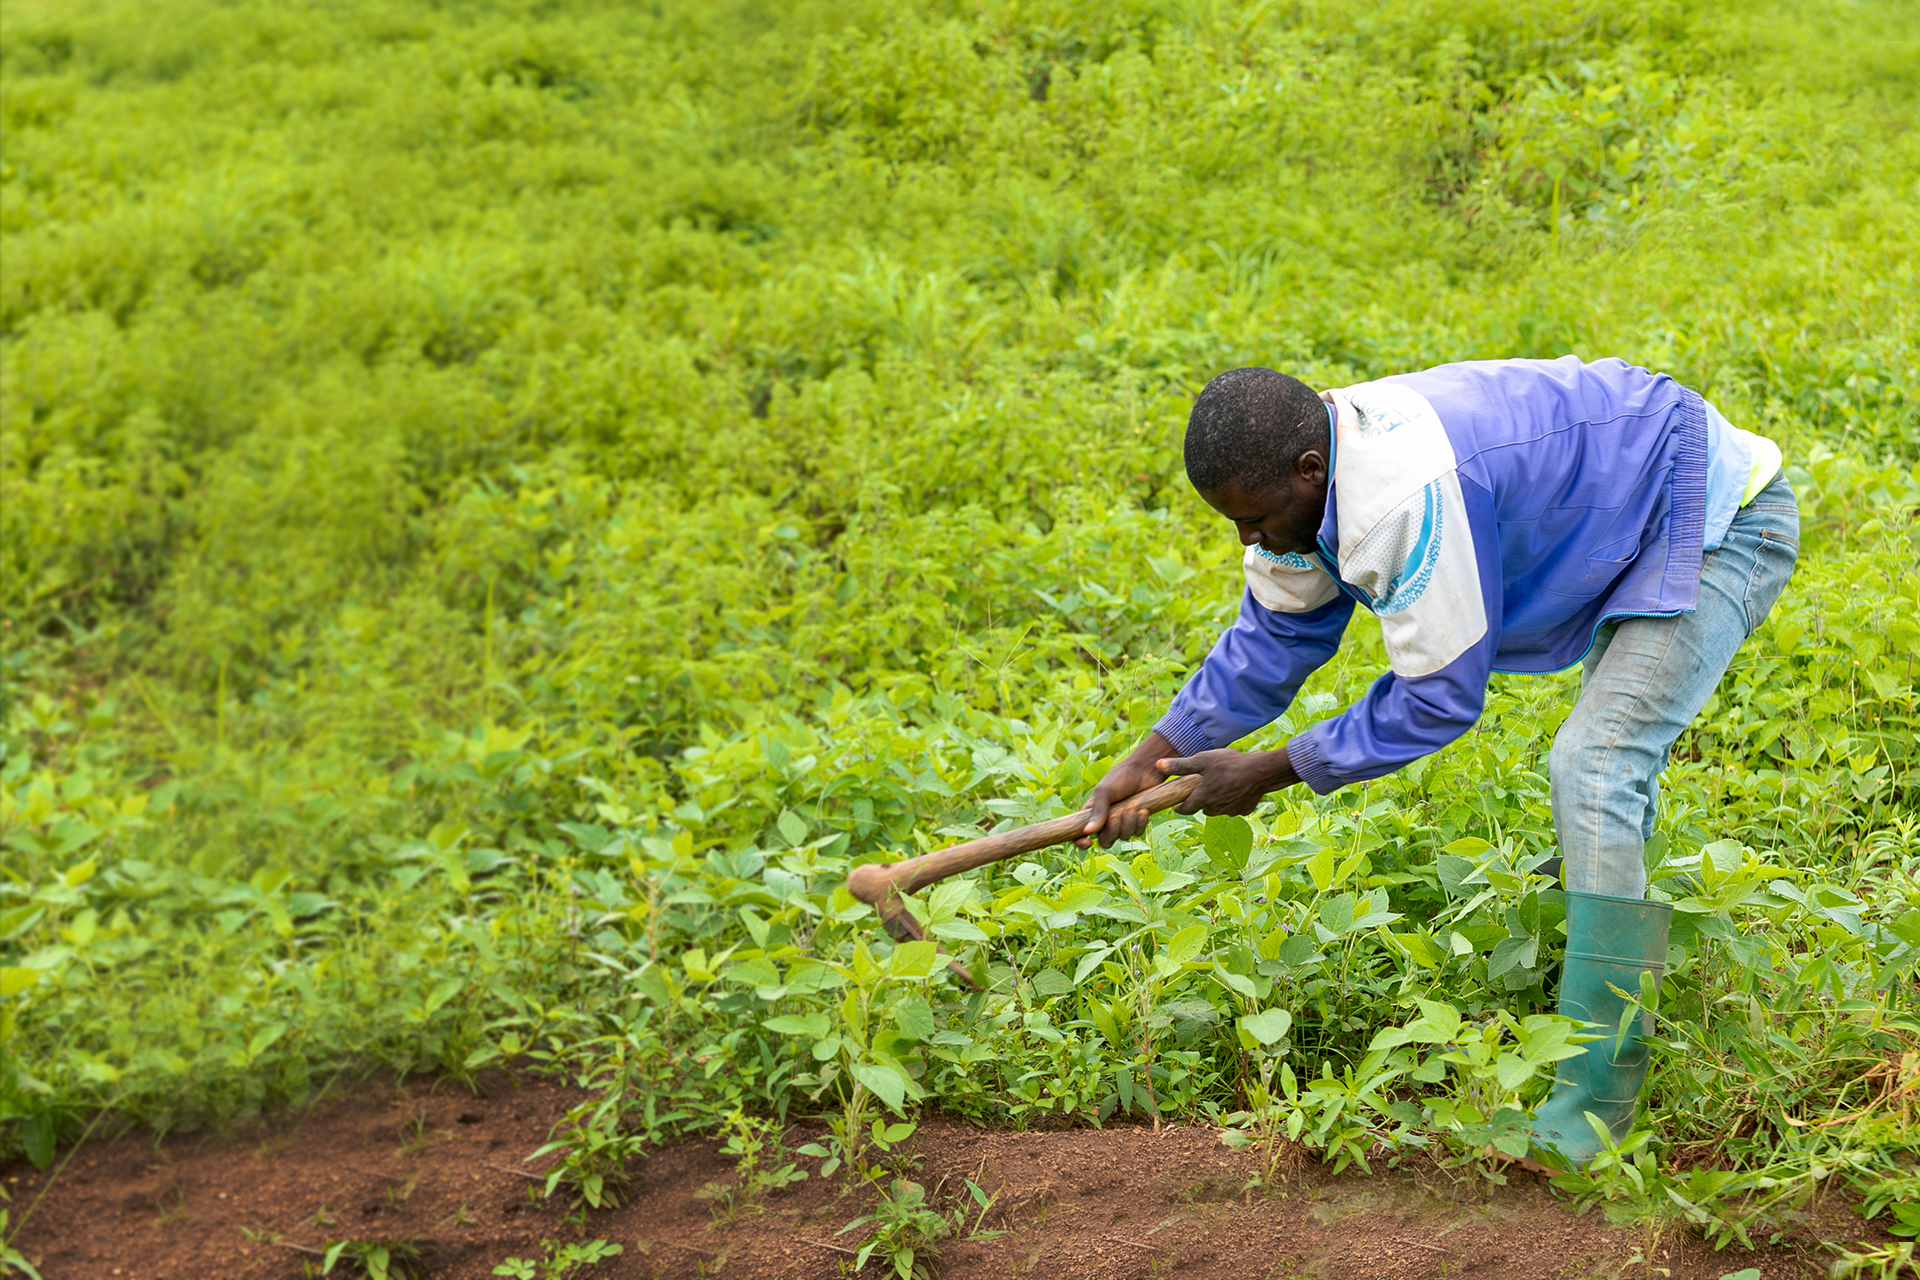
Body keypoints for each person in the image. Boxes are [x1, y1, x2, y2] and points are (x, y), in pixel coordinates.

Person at [1078, 357, 1797, 1165]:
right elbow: (1276, 637)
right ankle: (1618, 999)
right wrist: (1154, 753)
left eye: (1255, 517)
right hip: (1619, 496)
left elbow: (1437, 698)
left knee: (1596, 763)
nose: (1248, 538)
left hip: (1711, 510)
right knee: (1604, 776)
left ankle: (1593, 1114)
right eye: (1232, 522)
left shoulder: (1398, 498)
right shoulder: (1306, 477)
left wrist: (1270, 769)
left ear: (1310, 471)